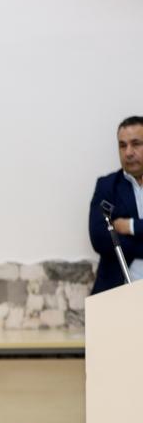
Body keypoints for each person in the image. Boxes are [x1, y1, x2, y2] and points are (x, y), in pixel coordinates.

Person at [89, 116, 143, 294]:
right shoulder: (107, 186)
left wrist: (131, 226)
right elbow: (100, 238)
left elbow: (114, 238)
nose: (128, 152)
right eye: (122, 145)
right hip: (116, 294)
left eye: (136, 144)